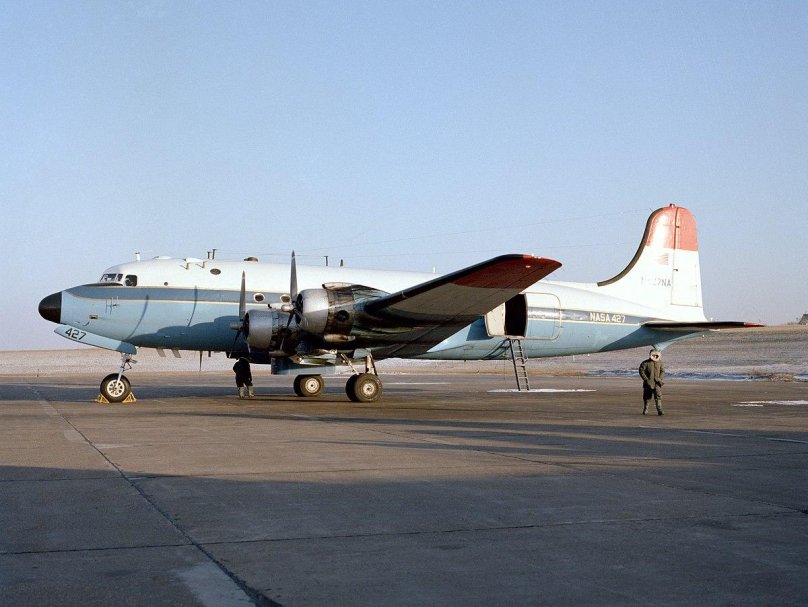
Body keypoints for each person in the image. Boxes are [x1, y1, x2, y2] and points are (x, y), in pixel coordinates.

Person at [639, 349, 665, 415]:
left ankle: (659, 410)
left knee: (658, 396)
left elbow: (663, 371)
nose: (655, 356)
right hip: (648, 383)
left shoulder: (660, 362)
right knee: (647, 397)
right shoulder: (645, 363)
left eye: (656, 355)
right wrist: (646, 379)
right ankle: (645, 409)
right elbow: (641, 371)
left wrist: (660, 379)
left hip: (657, 383)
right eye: (654, 355)